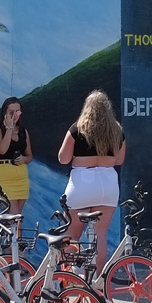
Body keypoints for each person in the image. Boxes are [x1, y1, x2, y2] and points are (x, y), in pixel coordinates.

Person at [58, 90, 126, 275]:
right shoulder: (117, 130)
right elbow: (119, 160)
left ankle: (76, 274)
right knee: (100, 234)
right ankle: (97, 278)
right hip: (108, 183)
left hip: (82, 182)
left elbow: (63, 159)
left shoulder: (77, 128)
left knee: (72, 234)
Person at [0, 97, 33, 214]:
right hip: (5, 177)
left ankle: (15, 233)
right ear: (5, 112)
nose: (15, 115)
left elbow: (29, 155)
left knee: (18, 219)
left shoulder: (23, 131)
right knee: (11, 216)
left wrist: (24, 159)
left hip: (21, 178)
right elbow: (2, 150)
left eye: (17, 112)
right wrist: (9, 128)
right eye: (11, 112)